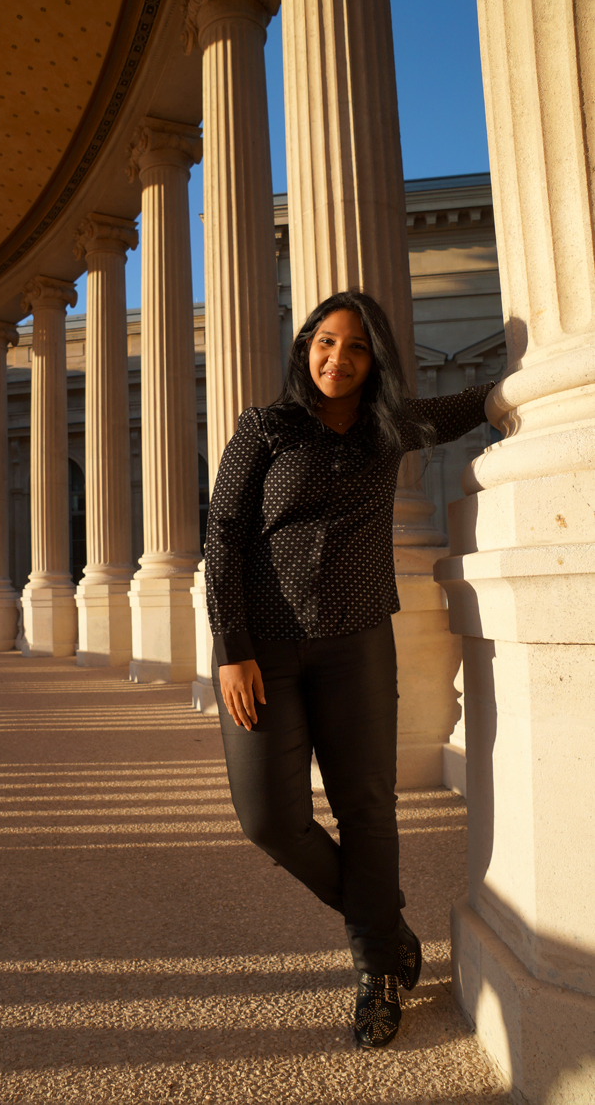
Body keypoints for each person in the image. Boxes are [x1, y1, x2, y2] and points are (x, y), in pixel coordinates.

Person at [204, 289, 496, 1049]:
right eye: (326, 343)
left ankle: (374, 971)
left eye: (356, 348)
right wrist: (230, 650)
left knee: (366, 807)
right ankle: (387, 925)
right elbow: (223, 535)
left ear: (376, 362)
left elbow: (471, 401)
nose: (338, 358)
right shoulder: (265, 429)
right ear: (305, 348)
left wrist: (514, 387)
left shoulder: (387, 429)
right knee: (269, 817)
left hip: (357, 642)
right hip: (262, 652)